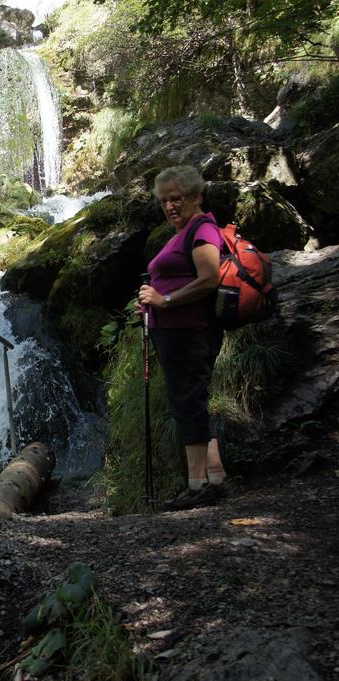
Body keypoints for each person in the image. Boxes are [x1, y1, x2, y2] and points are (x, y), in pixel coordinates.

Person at [138, 165, 227, 510]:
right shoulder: (182, 232)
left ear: (195, 197)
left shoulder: (203, 228)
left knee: (187, 401)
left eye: (176, 199)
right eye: (164, 201)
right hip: (174, 330)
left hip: (188, 330)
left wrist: (165, 300)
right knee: (195, 399)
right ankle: (215, 477)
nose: (170, 206)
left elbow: (209, 278)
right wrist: (150, 302)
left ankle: (196, 484)